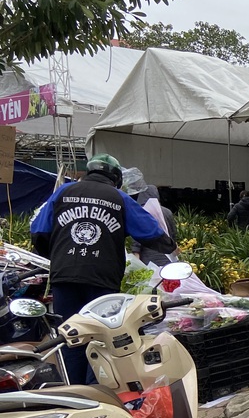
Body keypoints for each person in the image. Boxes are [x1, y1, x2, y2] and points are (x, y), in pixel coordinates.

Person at [31, 153, 175, 383]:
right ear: (116, 178)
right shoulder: (118, 197)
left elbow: (38, 231)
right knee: (102, 336)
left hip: (64, 276)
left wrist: (58, 256)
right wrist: (168, 245)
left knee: (71, 335)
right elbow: (151, 231)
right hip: (102, 279)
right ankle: (99, 391)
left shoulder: (62, 192)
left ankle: (75, 393)